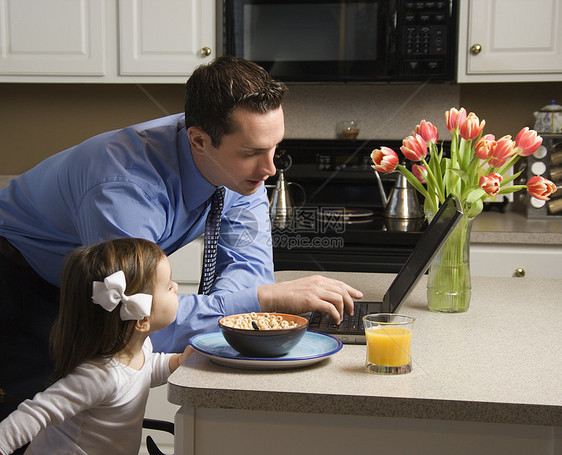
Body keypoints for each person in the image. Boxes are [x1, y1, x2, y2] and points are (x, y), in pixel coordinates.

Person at [0, 56, 363, 421]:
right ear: (199, 140)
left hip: (89, 286)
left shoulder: (238, 167)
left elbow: (247, 267)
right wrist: (265, 300)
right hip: (19, 282)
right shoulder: (123, 190)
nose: (269, 169)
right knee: (32, 423)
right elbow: (140, 319)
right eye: (252, 153)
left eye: (274, 148)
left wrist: (250, 308)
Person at [0, 238, 193, 455]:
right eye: (168, 286)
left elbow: (145, 369)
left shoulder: (138, 348)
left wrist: (176, 362)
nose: (175, 287)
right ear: (142, 320)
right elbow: (36, 413)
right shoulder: (100, 376)